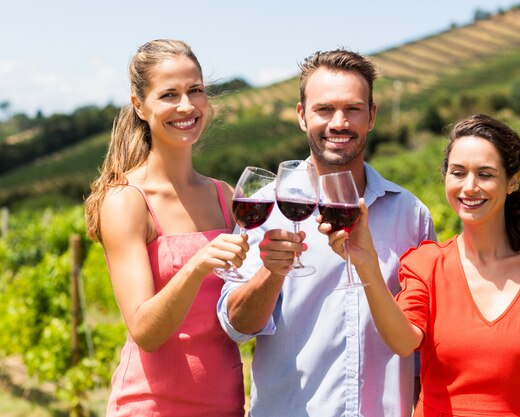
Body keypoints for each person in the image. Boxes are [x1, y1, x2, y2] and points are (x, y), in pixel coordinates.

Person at [322, 114, 520, 416]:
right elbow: (403, 341)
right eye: (458, 173)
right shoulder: (426, 264)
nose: (470, 187)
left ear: (512, 181)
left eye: (485, 174)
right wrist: (366, 263)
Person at [217, 49, 436, 416]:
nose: (339, 122)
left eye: (352, 109)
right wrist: (271, 272)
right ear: (302, 116)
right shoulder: (267, 209)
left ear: (371, 116)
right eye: (324, 110)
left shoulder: (410, 215)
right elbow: (237, 326)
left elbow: (423, 344)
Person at [84, 39, 247, 417]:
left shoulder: (223, 196)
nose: (186, 106)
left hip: (225, 403)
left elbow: (238, 310)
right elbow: (146, 332)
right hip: (151, 407)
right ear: (139, 106)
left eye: (195, 91)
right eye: (169, 95)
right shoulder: (127, 200)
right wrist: (196, 265)